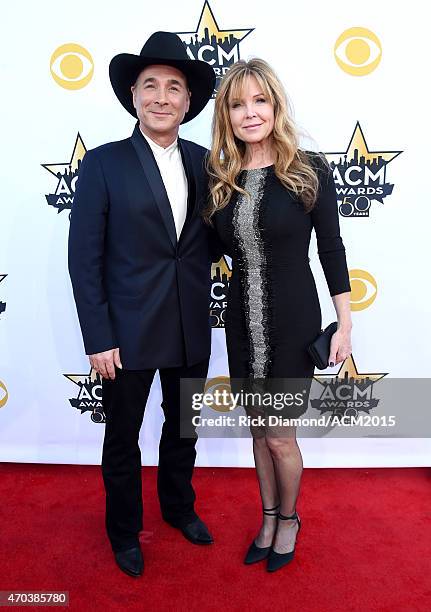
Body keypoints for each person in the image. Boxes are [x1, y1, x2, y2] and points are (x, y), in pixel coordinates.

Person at [68, 31, 218, 578]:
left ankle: (179, 509)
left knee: (183, 429)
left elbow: (222, 238)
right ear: (134, 95)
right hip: (125, 334)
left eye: (173, 87)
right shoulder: (103, 164)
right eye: (150, 85)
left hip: (189, 326)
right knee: (122, 439)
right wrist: (97, 337)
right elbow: (84, 260)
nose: (161, 97)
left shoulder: (207, 163)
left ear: (187, 101)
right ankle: (124, 531)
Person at [205, 59, 352, 572]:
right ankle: (266, 517)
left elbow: (331, 250)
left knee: (279, 436)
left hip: (293, 323)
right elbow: (198, 250)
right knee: (256, 432)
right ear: (227, 114)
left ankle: (289, 519)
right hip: (241, 325)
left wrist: (346, 324)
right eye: (238, 104)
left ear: (275, 105)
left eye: (259, 101)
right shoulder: (220, 178)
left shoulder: (307, 169)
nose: (250, 113)